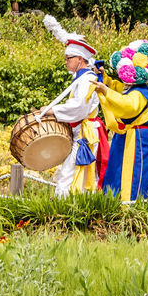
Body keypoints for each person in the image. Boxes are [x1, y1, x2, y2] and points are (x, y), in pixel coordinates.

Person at [42, 15, 108, 197]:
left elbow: (79, 107)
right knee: (80, 173)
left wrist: (52, 111)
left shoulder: (87, 80)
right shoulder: (81, 77)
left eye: (68, 58)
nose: (66, 62)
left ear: (80, 59)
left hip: (86, 133)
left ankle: (66, 208)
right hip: (82, 132)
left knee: (71, 174)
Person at [94, 40, 148, 202]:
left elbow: (127, 106)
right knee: (117, 169)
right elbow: (117, 88)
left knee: (135, 172)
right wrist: (104, 77)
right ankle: (115, 201)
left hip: (139, 138)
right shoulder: (131, 87)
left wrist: (106, 91)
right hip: (127, 135)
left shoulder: (140, 92)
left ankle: (132, 204)